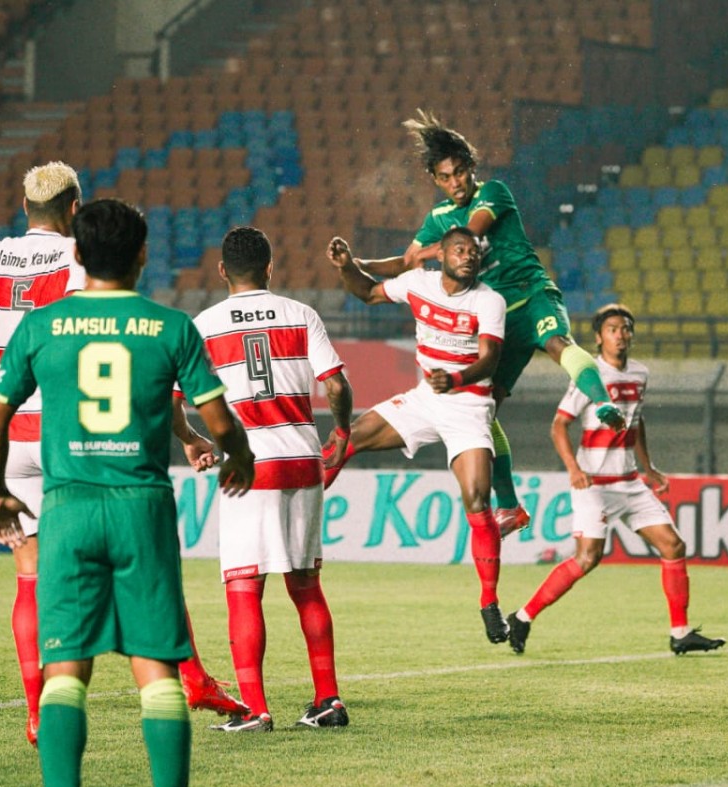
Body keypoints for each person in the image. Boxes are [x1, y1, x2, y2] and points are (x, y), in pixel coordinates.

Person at [0, 162, 244, 746]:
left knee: (31, 579)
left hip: (15, 438)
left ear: (25, 205)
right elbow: (124, 354)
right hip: (75, 432)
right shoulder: (82, 259)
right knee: (144, 563)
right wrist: (188, 436)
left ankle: (38, 712)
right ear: (74, 208)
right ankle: (188, 679)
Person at [0, 198, 255, 787]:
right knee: (155, 671)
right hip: (142, 508)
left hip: (69, 507)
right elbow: (218, 418)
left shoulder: (40, 326)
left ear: (77, 255)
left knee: (66, 673)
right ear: (143, 254)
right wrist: (241, 456)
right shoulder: (171, 326)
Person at [338, 110, 625, 539]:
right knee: (483, 409)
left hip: (531, 296)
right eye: (446, 177)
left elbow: (469, 235)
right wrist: (358, 263)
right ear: (435, 180)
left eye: (459, 173)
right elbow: (404, 260)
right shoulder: (437, 217)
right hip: (495, 320)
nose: (455, 183)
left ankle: (603, 402)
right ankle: (510, 507)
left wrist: (428, 253)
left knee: (555, 341)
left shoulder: (493, 191)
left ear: (471, 168)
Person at [191, 226, 354, 732]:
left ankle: (254, 709)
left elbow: (173, 399)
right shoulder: (300, 313)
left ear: (222, 270)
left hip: (248, 466)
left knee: (244, 588)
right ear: (269, 266)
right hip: (303, 458)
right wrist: (343, 432)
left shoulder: (204, 324)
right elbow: (336, 384)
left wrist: (190, 440)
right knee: (306, 585)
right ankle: (327, 699)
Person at [504, 303, 726, 657]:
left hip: (629, 482)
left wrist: (649, 467)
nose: (620, 335)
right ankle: (523, 616)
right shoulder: (590, 374)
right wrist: (574, 470)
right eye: (612, 329)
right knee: (587, 558)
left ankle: (680, 633)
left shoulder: (640, 373)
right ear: (598, 337)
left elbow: (635, 422)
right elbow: (559, 424)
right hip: (593, 485)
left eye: (625, 329)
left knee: (674, 546)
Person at [325, 227, 511, 644]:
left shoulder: (489, 300)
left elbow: (491, 358)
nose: (469, 256)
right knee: (347, 438)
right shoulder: (418, 284)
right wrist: (345, 267)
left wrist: (458, 378)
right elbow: (368, 293)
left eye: (473, 251)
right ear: (441, 255)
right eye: (460, 250)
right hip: (426, 399)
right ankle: (299, 508)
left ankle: (489, 602)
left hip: (468, 408)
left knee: (478, 500)